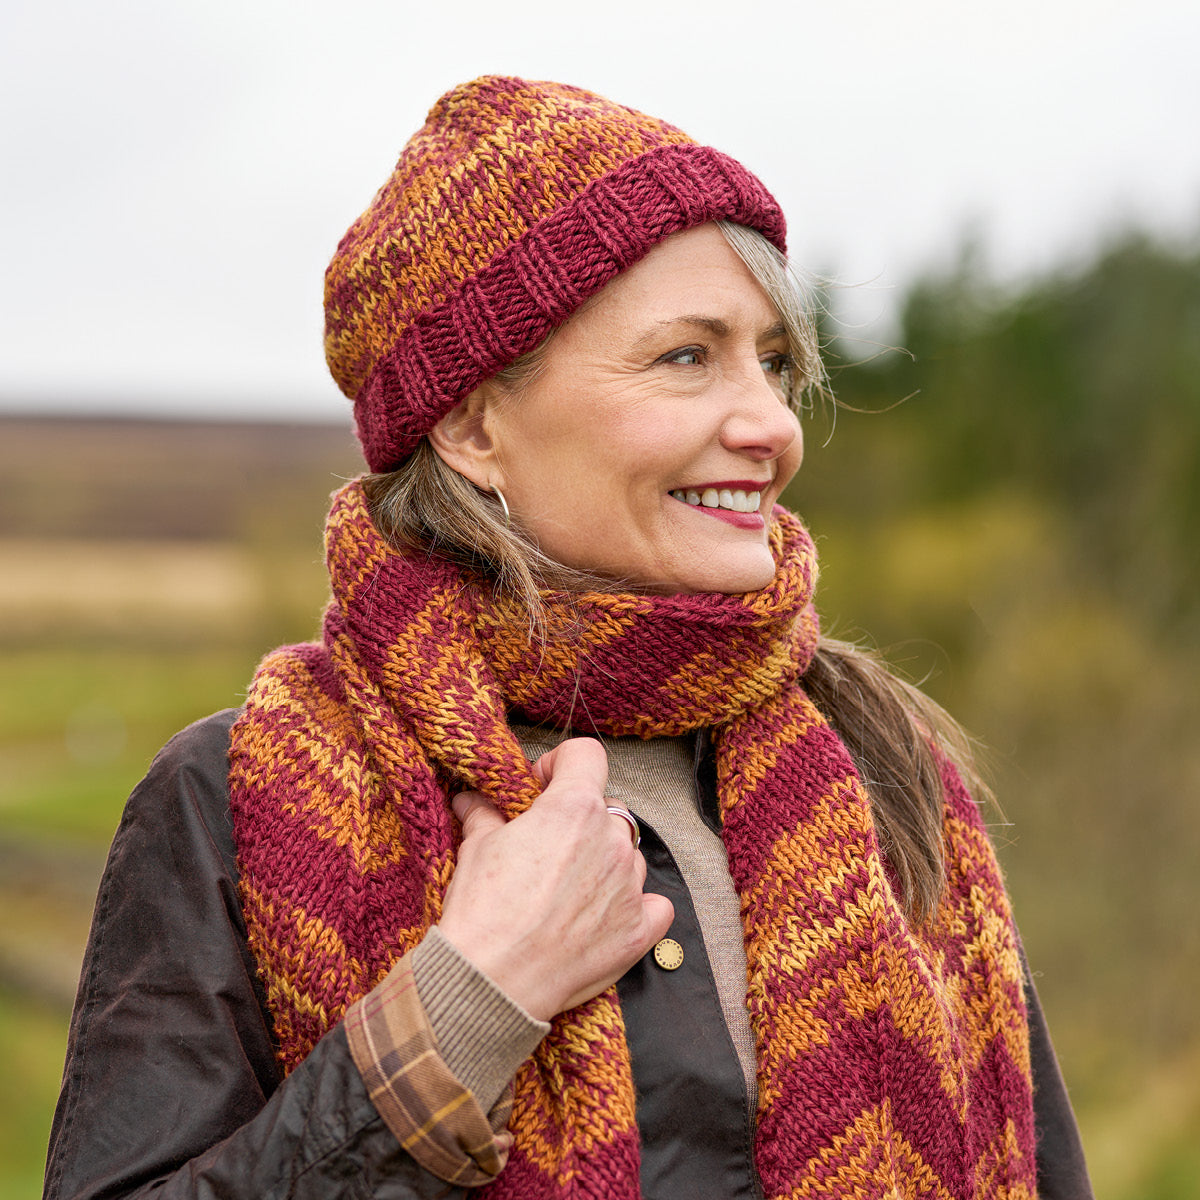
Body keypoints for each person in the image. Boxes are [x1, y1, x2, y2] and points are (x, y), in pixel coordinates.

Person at [44, 76, 1093, 1200]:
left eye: (774, 360)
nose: (772, 426)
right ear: (472, 422)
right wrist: (465, 1004)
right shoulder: (234, 798)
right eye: (686, 356)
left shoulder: (884, 764)